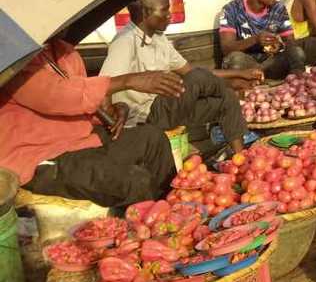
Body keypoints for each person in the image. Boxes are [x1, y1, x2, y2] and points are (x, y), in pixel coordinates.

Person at [0, 39, 183, 207]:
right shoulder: (11, 57)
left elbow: (81, 102)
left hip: (83, 140)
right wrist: (126, 81)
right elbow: (54, 97)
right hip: (40, 155)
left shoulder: (64, 51)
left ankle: (171, 212)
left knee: (153, 138)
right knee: (133, 180)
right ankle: (144, 235)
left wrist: (112, 110)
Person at [101, 0, 259, 153]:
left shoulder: (159, 38)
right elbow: (104, 84)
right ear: (144, 14)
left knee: (227, 99)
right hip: (145, 115)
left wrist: (239, 74)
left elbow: (189, 70)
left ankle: (240, 159)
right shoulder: (124, 42)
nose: (170, 15)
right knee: (200, 79)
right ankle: (227, 86)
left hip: (169, 108)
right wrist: (111, 114)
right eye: (164, 10)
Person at [219, 0, 305, 78]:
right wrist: (255, 39)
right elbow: (226, 48)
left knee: (296, 52)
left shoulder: (278, 8)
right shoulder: (231, 10)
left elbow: (290, 41)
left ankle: (297, 83)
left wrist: (279, 45)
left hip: (271, 62)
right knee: (235, 59)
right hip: (246, 64)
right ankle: (257, 78)